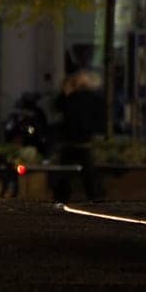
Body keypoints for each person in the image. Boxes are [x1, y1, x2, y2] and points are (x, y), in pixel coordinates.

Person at [53, 69, 108, 202]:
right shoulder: (73, 97)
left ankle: (92, 197)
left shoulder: (89, 97)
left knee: (86, 173)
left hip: (81, 141)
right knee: (71, 173)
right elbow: (60, 108)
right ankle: (66, 197)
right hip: (73, 141)